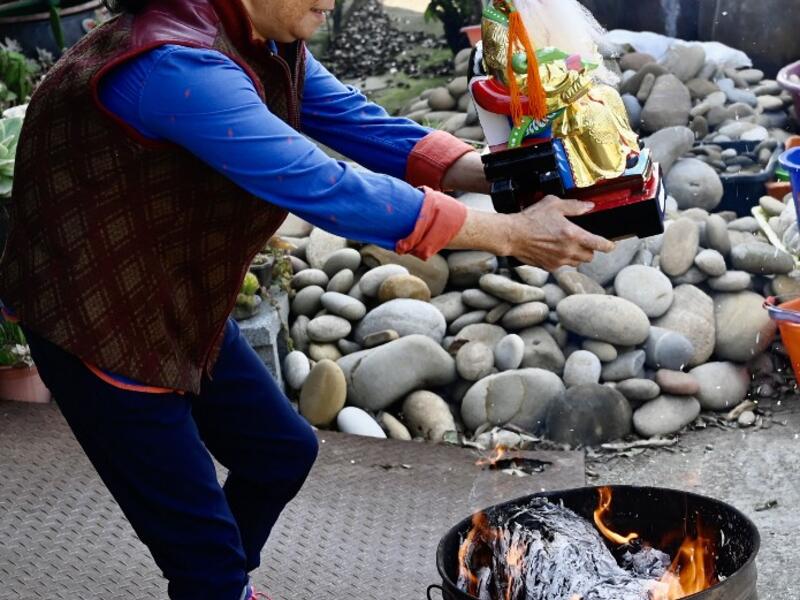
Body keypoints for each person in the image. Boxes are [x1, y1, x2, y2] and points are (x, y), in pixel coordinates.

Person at [0, 0, 614, 598]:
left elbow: (353, 120)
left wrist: (500, 169)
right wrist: (509, 233)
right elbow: (324, 186)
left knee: (280, 454)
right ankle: (214, 583)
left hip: (181, 297)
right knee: (206, 553)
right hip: (101, 323)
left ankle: (215, 584)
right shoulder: (176, 69)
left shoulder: (264, 36)